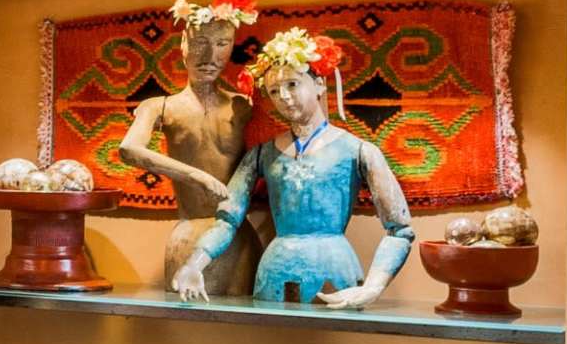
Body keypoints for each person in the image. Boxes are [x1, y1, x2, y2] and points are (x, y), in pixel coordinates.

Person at [175, 26, 413, 308]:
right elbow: (227, 220)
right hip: (273, 279)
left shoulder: (358, 151)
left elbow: (400, 229)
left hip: (336, 278)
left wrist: (373, 287)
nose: (284, 97)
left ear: (320, 84)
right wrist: (194, 263)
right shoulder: (262, 154)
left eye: (293, 84)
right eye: (274, 91)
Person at [117, 0, 262, 295]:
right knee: (188, 326)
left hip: (238, 234)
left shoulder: (243, 105)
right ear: (183, 44)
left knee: (250, 325)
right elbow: (129, 149)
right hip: (190, 234)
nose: (210, 56)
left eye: (222, 44)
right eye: (199, 43)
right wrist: (195, 175)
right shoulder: (160, 107)